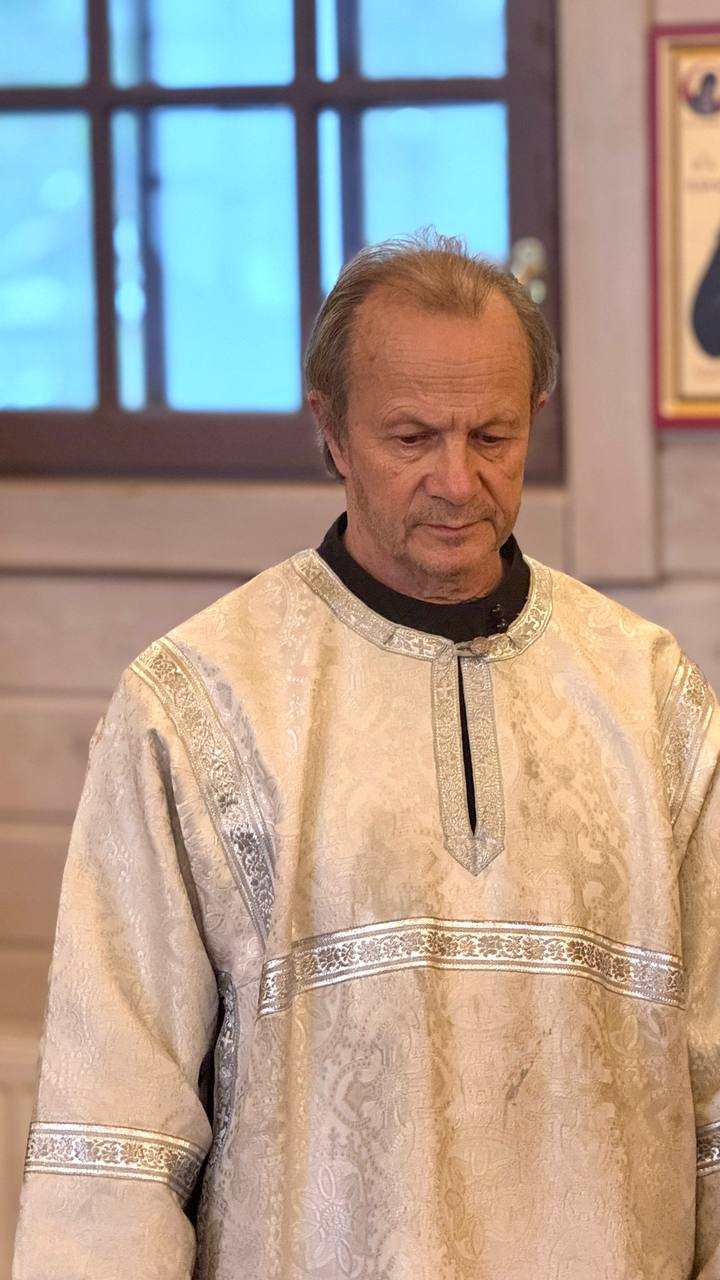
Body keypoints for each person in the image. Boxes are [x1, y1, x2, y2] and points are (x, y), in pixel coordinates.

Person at [12, 234, 720, 1279]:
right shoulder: (199, 703)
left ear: (536, 417)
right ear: (332, 429)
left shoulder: (650, 696)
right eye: (411, 438)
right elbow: (114, 1129)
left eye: (493, 435)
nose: (457, 481)